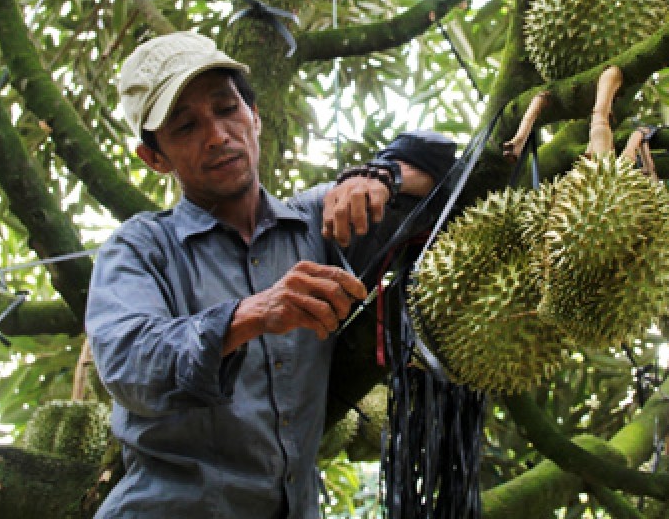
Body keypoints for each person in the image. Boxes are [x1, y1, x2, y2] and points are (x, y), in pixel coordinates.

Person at [85, 31, 456, 518]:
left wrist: (380, 173)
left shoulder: (320, 222)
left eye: (226, 109)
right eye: (185, 127)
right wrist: (252, 315)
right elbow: (131, 363)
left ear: (254, 117)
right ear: (154, 158)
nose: (217, 135)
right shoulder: (140, 248)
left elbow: (459, 174)